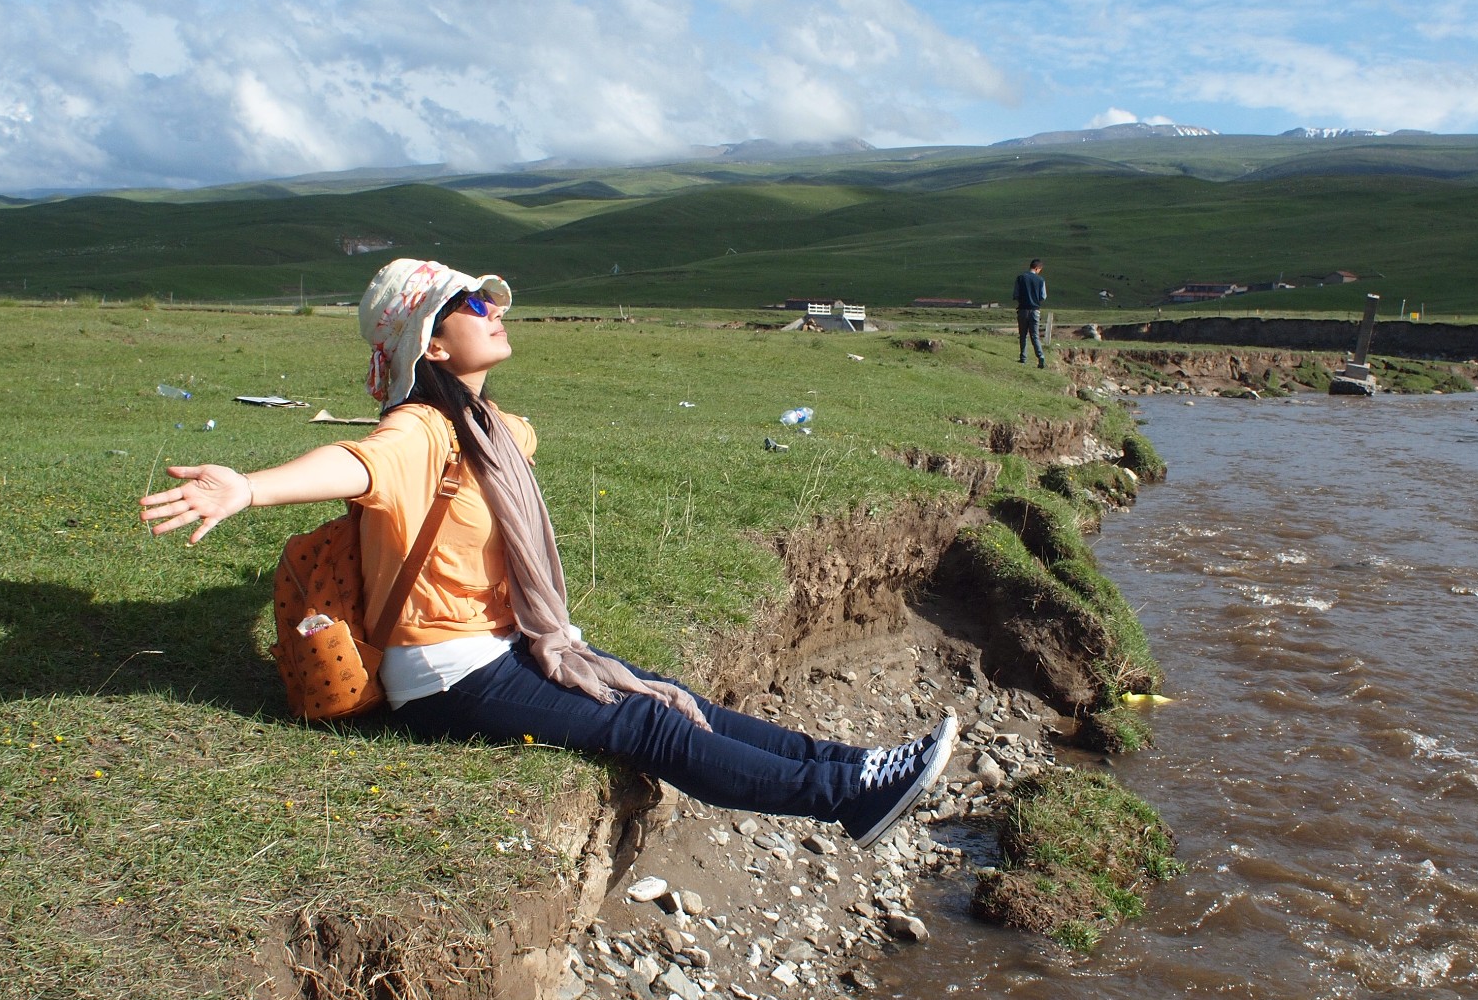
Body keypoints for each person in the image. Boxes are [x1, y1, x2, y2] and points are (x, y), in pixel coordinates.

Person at [138, 258, 954, 845]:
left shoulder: (489, 430)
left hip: (504, 646)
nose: (494, 311)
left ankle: (861, 767)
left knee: (667, 693)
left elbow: (507, 446)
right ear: (430, 342)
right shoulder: (418, 430)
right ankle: (843, 795)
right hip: (447, 675)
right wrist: (247, 486)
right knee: (646, 725)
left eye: (490, 300)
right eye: (469, 303)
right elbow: (356, 462)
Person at [1014, 257, 1047, 368]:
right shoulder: (1041, 280)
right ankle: (1040, 356)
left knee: (1023, 335)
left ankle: (1023, 358)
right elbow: (1043, 296)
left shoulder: (1020, 278)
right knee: (1035, 335)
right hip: (1035, 311)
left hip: (1022, 310)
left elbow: (1016, 294)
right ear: (1037, 268)